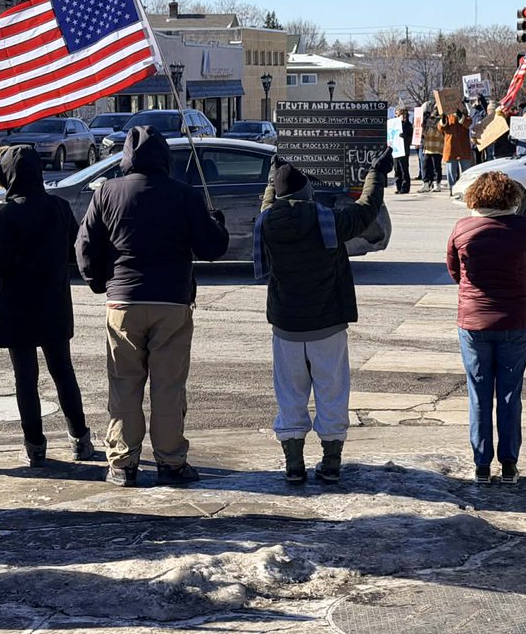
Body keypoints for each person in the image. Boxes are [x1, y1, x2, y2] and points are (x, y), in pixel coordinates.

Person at [76, 126, 229, 488]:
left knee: (124, 384)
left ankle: (123, 463)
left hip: (123, 300)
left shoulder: (107, 192)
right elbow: (212, 248)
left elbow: (84, 246)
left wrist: (99, 282)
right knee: (168, 386)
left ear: (127, 157)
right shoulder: (185, 194)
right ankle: (171, 461)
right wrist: (216, 224)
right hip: (172, 301)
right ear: (165, 158)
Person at [257, 148, 392, 484]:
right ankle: (331, 463)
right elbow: (366, 210)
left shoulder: (268, 222)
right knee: (332, 393)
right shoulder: (329, 220)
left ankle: (293, 465)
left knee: (290, 396)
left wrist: (274, 178)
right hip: (328, 325)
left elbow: (268, 204)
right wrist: (376, 172)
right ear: (307, 193)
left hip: (286, 327)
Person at [0, 146, 92, 466]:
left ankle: (35, 445)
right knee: (63, 372)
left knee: (26, 379)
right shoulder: (60, 207)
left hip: (18, 307)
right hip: (54, 302)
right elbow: (74, 252)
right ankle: (80, 439)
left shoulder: (7, 215)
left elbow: (1, 263)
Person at [446, 171, 526, 485]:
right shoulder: (523, 227)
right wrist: (517, 289)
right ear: (509, 198)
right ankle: (509, 465)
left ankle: (481, 465)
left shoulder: (462, 228)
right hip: (515, 320)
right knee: (509, 394)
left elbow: (454, 272)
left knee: (478, 395)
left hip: (473, 322)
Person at [438, 106, 473, 193]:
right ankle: (452, 189)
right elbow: (440, 128)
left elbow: (468, 123)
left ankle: (466, 189)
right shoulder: (447, 115)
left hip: (463, 148)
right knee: (451, 171)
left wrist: (461, 116)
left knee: (467, 171)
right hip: (450, 148)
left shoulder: (465, 114)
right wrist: (443, 119)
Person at [420, 105, 445, 193]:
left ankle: (437, 184)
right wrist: (422, 126)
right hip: (428, 147)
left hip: (437, 147)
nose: (435, 112)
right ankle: (426, 183)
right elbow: (424, 133)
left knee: (436, 167)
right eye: (434, 109)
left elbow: (442, 126)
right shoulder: (428, 120)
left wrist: (443, 117)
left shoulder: (441, 120)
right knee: (425, 166)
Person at [393, 107, 413, 195]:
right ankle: (398, 186)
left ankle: (405, 187)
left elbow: (411, 138)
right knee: (397, 169)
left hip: (404, 150)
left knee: (404, 169)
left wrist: (405, 137)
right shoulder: (394, 124)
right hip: (396, 150)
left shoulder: (408, 125)